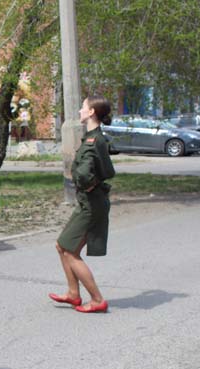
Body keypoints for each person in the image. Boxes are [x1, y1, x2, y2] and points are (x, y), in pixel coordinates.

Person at [49, 95, 115, 314]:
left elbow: (86, 173)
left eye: (83, 107)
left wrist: (83, 182)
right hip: (90, 202)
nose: (79, 110)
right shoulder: (95, 137)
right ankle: (73, 294)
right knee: (62, 246)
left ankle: (97, 299)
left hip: (92, 204)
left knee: (69, 251)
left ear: (91, 113)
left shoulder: (93, 141)